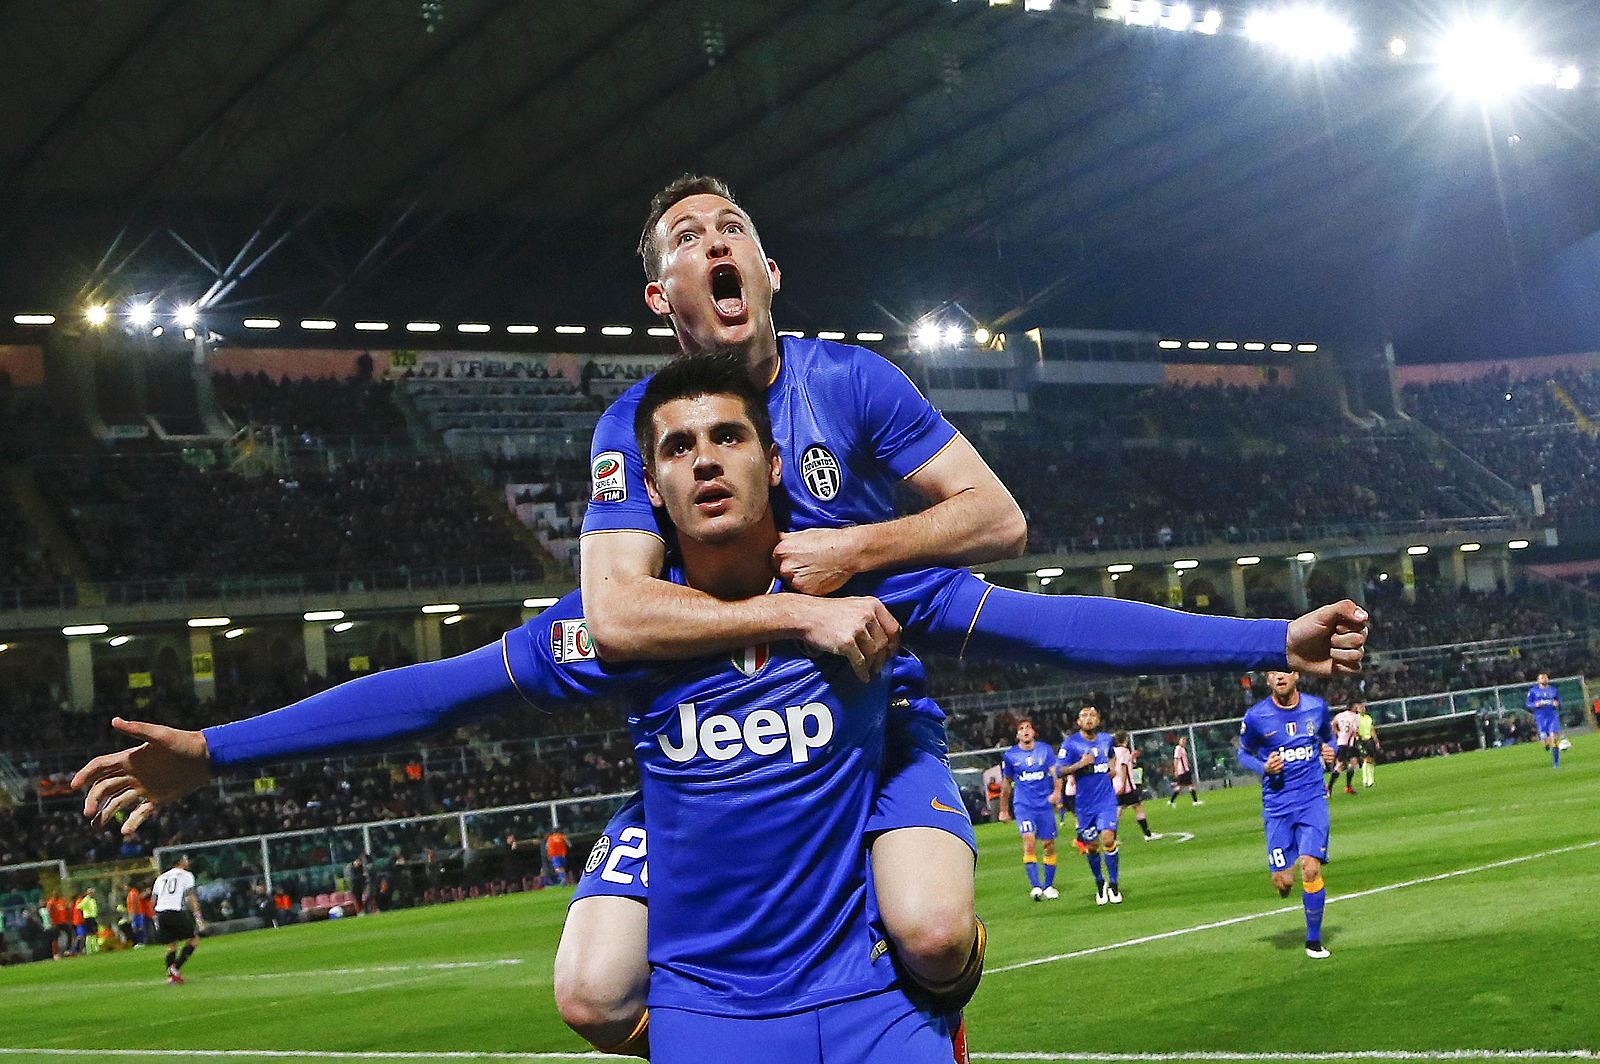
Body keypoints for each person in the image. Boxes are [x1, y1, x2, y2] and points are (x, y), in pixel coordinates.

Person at [75, 355, 1366, 1059]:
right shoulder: (621, 636)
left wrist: (1273, 637)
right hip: (709, 1020)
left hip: (874, 1013)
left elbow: (1065, 630)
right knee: (586, 993)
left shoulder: (868, 596)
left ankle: (953, 983)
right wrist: (215, 753)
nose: (703, 461)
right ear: (648, 484)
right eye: (676, 449)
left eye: (726, 439)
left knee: (932, 934)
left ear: (771, 460)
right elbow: (431, 696)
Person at [565, 177, 1365, 1054]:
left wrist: (856, 551)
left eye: (733, 230)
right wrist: (795, 610)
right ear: (658, 295)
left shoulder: (853, 389)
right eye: (688, 237)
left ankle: (918, 1019)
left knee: (934, 933)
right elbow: (614, 611)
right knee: (593, 992)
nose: (716, 244)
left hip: (873, 724)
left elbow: (1004, 531)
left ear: (769, 269)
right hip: (710, 760)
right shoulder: (637, 428)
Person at [1237, 670, 1335, 959]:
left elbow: (1329, 740)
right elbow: (1243, 754)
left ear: (1296, 675)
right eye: (1273, 674)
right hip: (1277, 806)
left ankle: (1313, 941)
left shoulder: (1316, 707)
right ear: (1267, 681)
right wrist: (1263, 768)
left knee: (1311, 867)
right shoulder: (1256, 717)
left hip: (1312, 799)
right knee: (1284, 881)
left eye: (1284, 672)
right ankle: (1282, 882)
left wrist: (1331, 752)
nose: (1280, 678)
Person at [1059, 706, 1123, 905]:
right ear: (1078, 722)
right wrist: (1080, 764)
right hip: (1085, 804)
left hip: (1106, 799)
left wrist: (1112, 767)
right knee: (1092, 846)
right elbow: (1059, 770)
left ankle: (1113, 884)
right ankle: (1099, 882)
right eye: (1084, 716)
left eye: (1093, 715)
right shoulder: (1070, 744)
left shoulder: (1106, 739)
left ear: (1098, 720)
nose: (1089, 719)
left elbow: (1112, 755)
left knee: (1108, 838)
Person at [998, 719, 1062, 900]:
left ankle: (1049, 886)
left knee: (1048, 845)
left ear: (1034, 732)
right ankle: (1036, 886)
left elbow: (1056, 773)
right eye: (1021, 729)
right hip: (1024, 805)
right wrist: (1003, 810)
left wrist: (1057, 792)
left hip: (1044, 804)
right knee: (1029, 841)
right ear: (1017, 735)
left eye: (1028, 728)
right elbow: (1006, 784)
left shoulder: (1045, 750)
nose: (1025, 731)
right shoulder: (1010, 755)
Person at [151, 855, 204, 984]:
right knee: (193, 940)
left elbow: (153, 900)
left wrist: (155, 917)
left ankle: (171, 977)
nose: (187, 861)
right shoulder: (186, 875)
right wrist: (198, 917)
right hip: (174, 911)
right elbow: (190, 896)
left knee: (171, 947)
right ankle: (175, 968)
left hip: (161, 913)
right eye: (186, 859)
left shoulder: (161, 877)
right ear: (180, 862)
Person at [1112, 732, 1160, 841]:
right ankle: (1148, 834)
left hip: (1116, 784)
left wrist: (1132, 757)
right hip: (1126, 786)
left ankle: (1112, 838)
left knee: (1118, 810)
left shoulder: (1113, 751)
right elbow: (1124, 768)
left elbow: (1127, 766)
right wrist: (1124, 786)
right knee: (1137, 807)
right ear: (1125, 739)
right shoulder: (1124, 751)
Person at [1526, 673, 1563, 768]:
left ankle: (1556, 762)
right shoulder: (1533, 691)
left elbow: (1559, 702)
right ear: (1538, 680)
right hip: (1541, 718)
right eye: (1542, 678)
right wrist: (1536, 704)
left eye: (1546, 677)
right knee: (1545, 740)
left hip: (1552, 716)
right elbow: (1528, 704)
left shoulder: (1553, 690)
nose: (1544, 679)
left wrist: (1557, 703)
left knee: (1554, 738)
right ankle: (1546, 744)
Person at [1329, 703, 1360, 796]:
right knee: (1340, 766)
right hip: (1349, 743)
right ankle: (1329, 788)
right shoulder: (1355, 717)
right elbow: (1355, 732)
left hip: (1341, 742)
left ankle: (1348, 787)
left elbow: (1333, 723)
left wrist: (1337, 732)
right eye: (1356, 706)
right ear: (1353, 707)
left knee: (1352, 764)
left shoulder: (1340, 715)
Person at [1168, 735, 1202, 806]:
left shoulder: (1183, 749)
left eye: (1184, 741)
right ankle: (1195, 801)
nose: (1183, 742)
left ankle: (1171, 801)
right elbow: (1176, 759)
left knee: (1181, 787)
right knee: (1190, 785)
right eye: (1182, 740)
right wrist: (1176, 770)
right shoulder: (1178, 748)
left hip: (1185, 770)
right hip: (1183, 771)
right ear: (1179, 741)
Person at [1354, 701, 1381, 787]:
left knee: (1371, 760)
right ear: (1357, 709)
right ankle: (1365, 780)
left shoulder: (1368, 717)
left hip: (1369, 740)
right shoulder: (1356, 718)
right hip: (1361, 741)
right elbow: (1355, 730)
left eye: (1364, 707)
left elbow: (1372, 730)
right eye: (1361, 707)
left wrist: (1376, 741)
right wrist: (1357, 738)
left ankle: (1371, 779)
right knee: (1366, 758)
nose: (1363, 709)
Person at [127, 881, 147, 946]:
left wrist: (132, 914)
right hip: (138, 913)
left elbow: (134, 904)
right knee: (139, 928)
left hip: (136, 914)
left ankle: (140, 942)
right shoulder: (135, 892)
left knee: (137, 928)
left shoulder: (132, 893)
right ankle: (140, 942)